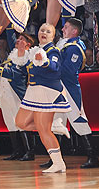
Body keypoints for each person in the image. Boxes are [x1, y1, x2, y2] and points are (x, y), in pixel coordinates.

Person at [15, 23, 71, 173]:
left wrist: (44, 61)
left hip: (47, 92)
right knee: (20, 122)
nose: (44, 33)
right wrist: (21, 53)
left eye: (48, 31)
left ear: (53, 36)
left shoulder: (53, 51)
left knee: (43, 131)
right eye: (41, 30)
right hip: (33, 92)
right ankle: (53, 125)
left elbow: (55, 68)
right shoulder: (35, 50)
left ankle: (59, 163)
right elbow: (24, 69)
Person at [49, 18, 99, 168]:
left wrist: (49, 68)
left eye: (66, 27)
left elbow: (68, 71)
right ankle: (56, 159)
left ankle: (93, 157)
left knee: (78, 120)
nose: (62, 30)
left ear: (74, 31)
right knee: (58, 123)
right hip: (60, 87)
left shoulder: (74, 47)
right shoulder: (66, 45)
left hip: (69, 89)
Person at [0, 33, 36, 161]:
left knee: (22, 123)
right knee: (10, 123)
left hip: (17, 94)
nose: (18, 40)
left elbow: (16, 74)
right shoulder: (12, 56)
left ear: (28, 44)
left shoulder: (28, 58)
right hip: (6, 94)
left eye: (22, 39)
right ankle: (17, 151)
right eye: (18, 38)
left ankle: (29, 151)